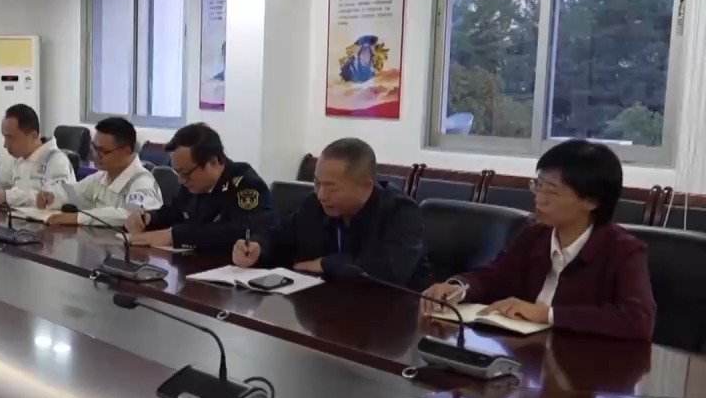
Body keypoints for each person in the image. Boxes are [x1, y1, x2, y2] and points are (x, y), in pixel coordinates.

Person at [421, 140, 655, 340]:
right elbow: (496, 276)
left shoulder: (624, 251)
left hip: (584, 366)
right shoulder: (534, 234)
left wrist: (547, 314)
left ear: (591, 201)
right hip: (528, 356)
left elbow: (638, 320)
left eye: (551, 191)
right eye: (538, 185)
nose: (539, 199)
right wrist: (458, 289)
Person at [232, 137, 430, 290]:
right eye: (317, 183)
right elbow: (280, 238)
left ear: (366, 186)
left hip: (392, 316)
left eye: (332, 188)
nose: (321, 195)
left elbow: (389, 271)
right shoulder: (313, 205)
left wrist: (326, 264)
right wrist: (258, 248)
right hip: (327, 308)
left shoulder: (401, 212)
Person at [124, 123, 271, 252]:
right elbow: (177, 212)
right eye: (178, 172)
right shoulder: (193, 183)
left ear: (213, 162)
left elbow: (242, 230)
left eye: (186, 173)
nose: (181, 180)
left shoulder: (245, 183)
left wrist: (175, 236)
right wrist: (149, 218)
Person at [39, 117, 162, 227]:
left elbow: (131, 215)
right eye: (94, 148)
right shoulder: (102, 176)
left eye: (102, 151)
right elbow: (73, 193)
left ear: (126, 150)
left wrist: (78, 218)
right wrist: (52, 197)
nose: (95, 156)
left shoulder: (143, 182)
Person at [0, 104, 74, 207]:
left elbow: (57, 197)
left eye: (11, 138)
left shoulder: (56, 161)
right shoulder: (17, 160)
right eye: (5, 137)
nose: (5, 145)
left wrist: (8, 196)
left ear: (33, 136)